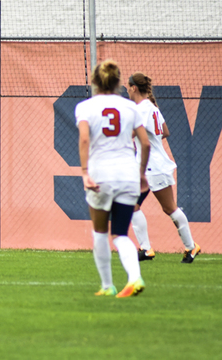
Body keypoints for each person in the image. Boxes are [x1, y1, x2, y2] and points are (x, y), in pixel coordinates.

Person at [75, 60, 150, 298]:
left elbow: (85, 140)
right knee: (120, 233)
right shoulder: (131, 108)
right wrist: (140, 173)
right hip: (128, 175)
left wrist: (85, 172)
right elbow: (145, 143)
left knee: (100, 232)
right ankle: (134, 277)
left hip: (101, 176)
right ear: (119, 83)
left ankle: (108, 286)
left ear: (95, 82)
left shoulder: (85, 107)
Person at [127, 72, 201, 264]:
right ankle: (146, 249)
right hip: (152, 165)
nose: (127, 90)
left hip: (152, 167)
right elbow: (165, 131)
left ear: (134, 88)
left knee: (169, 208)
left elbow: (134, 132)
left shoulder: (142, 108)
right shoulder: (151, 107)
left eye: (128, 87)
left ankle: (190, 247)